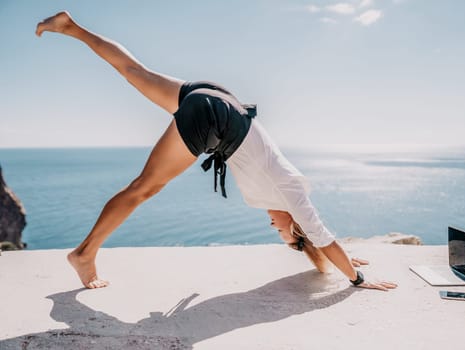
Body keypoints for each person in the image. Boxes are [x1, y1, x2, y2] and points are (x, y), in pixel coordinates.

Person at [36, 11, 397, 292]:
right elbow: (323, 237)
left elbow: (323, 244)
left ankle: (70, 27)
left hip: (223, 101)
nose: (275, 228)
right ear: (297, 226)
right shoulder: (292, 194)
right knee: (144, 187)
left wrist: (341, 259)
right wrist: (357, 278)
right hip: (215, 119)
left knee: (134, 71)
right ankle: (84, 254)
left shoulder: (283, 188)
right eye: (283, 234)